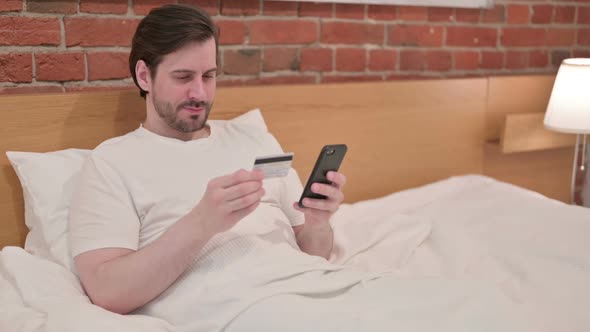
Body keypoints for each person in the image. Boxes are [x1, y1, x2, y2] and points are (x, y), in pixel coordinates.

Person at [68, 4, 528, 332]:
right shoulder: (112, 162)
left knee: (482, 306)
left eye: (209, 76)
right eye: (183, 78)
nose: (201, 93)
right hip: (242, 304)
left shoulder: (249, 138)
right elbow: (107, 291)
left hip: (312, 283)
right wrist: (201, 223)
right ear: (144, 76)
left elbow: (313, 252)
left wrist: (317, 220)